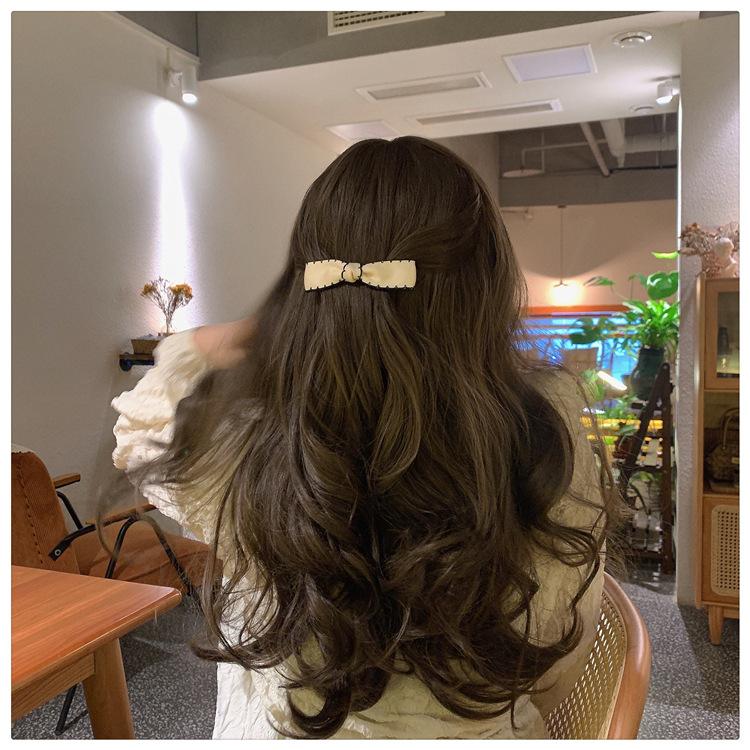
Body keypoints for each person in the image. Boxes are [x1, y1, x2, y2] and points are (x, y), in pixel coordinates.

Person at [108, 136, 621, 739]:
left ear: (303, 286)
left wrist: (229, 334)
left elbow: (139, 429)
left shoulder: (252, 442)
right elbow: (556, 662)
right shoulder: (542, 432)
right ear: (485, 284)